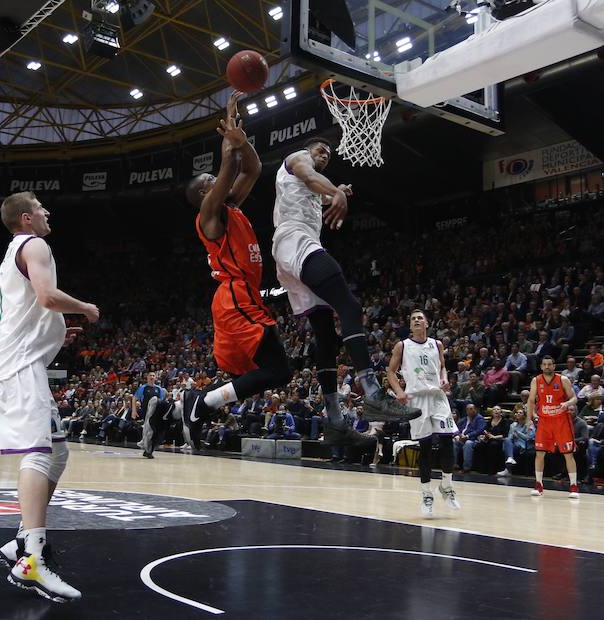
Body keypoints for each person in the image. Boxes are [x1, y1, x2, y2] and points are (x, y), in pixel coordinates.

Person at [269, 136, 420, 448]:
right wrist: (337, 191)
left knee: (325, 335)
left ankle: (335, 420)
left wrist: (337, 192)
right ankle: (374, 393)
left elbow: (315, 188)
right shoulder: (298, 159)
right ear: (308, 150)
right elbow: (310, 175)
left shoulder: (311, 188)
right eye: (320, 149)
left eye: (328, 153)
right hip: (295, 240)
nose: (324, 154)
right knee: (349, 307)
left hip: (289, 251)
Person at [0, 191, 98, 603]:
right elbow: (48, 297)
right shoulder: (35, 244)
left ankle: (20, 541)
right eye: (41, 207)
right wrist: (84, 307)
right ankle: (31, 558)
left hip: (22, 361)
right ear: (27, 218)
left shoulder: (10, 254)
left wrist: (47, 331)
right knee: (37, 453)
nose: (48, 211)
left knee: (58, 452)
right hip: (17, 367)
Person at [182, 91, 294, 448]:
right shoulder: (208, 216)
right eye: (210, 184)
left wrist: (241, 142)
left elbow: (253, 168)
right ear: (203, 195)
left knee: (275, 372)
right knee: (279, 370)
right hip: (234, 297)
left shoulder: (230, 207)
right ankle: (203, 402)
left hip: (241, 296)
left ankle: (196, 404)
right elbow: (229, 170)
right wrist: (229, 149)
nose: (217, 184)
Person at [387, 310, 460, 517]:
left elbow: (443, 368)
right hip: (417, 399)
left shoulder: (437, 344)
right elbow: (390, 372)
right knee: (425, 446)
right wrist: (399, 391)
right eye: (413, 319)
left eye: (420, 318)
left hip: (437, 396)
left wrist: (445, 378)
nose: (417, 320)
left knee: (448, 440)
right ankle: (427, 493)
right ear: (410, 326)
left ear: (427, 323)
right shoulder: (402, 346)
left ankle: (446, 484)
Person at [528, 355, 579, 499]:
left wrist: (567, 404)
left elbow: (574, 398)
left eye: (549, 364)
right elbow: (531, 400)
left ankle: (574, 487)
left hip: (561, 421)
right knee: (539, 453)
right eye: (544, 364)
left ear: (554, 366)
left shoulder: (563, 380)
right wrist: (529, 418)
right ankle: (538, 485)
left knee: (568, 454)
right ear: (541, 366)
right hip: (544, 421)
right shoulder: (536, 380)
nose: (547, 367)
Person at [498, 408, 536, 476]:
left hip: (524, 445)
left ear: (524, 415)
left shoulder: (529, 424)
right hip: (514, 444)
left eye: (520, 413)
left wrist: (518, 433)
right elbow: (510, 437)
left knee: (509, 448)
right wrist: (512, 436)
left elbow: (528, 438)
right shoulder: (513, 425)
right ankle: (510, 459)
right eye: (517, 412)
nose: (518, 414)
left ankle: (508, 470)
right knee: (507, 440)